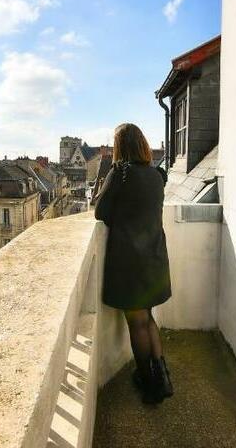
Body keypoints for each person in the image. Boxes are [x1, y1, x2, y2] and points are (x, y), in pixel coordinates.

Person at [95, 123, 173, 404]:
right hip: (154, 257)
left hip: (131, 260)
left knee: (137, 323)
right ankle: (162, 378)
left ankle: (148, 382)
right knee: (148, 318)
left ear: (119, 147)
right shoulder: (157, 176)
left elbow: (100, 212)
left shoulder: (121, 174)